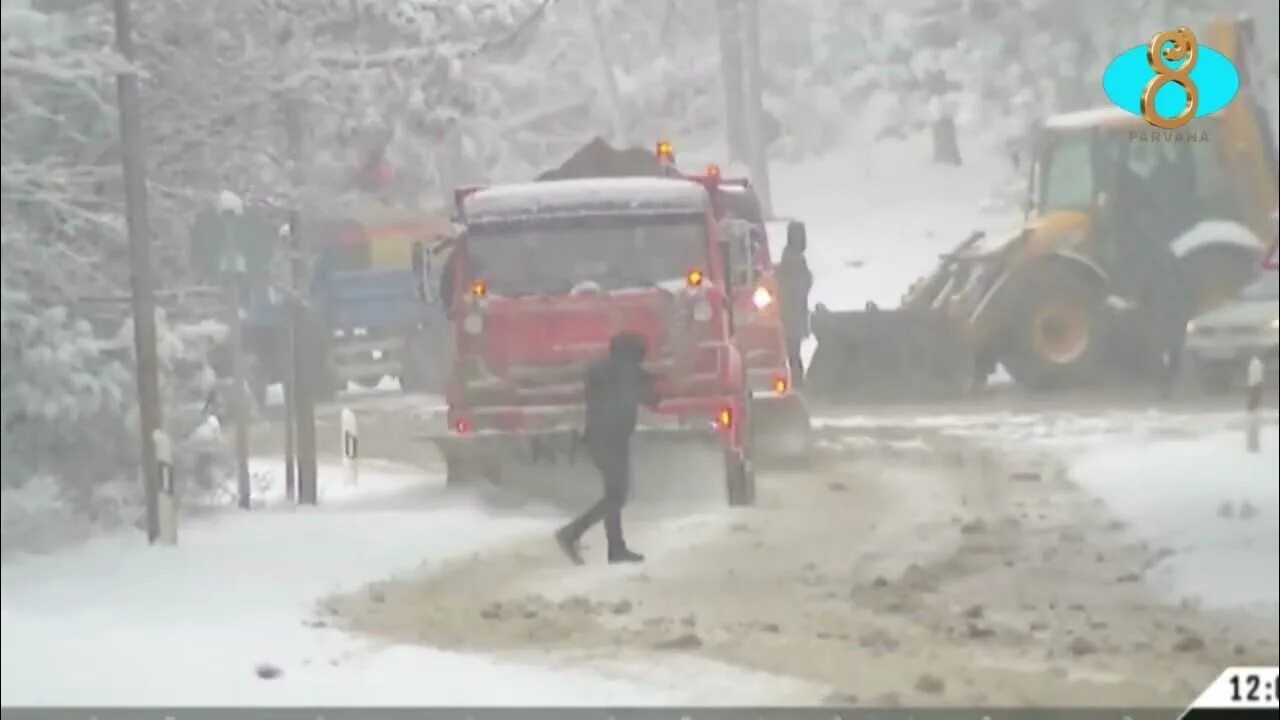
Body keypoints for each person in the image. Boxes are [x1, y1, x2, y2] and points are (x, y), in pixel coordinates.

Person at [556, 332, 658, 565]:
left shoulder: (600, 369)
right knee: (617, 495)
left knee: (614, 494)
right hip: (613, 439)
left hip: (597, 437)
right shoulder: (628, 372)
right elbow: (652, 398)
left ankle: (616, 548)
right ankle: (571, 533)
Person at [776, 223, 813, 387]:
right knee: (792, 353)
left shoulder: (793, 258)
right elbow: (795, 285)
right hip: (791, 315)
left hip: (793, 314)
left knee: (792, 353)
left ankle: (796, 382)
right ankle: (796, 384)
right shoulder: (794, 259)